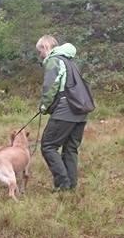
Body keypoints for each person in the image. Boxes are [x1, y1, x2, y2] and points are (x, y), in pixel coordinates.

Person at [37, 35, 90, 192]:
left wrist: (43, 107)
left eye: (39, 51)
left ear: (46, 47)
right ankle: (71, 186)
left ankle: (62, 184)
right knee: (70, 148)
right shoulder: (70, 61)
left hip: (65, 110)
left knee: (48, 146)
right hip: (81, 111)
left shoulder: (54, 60)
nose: (39, 55)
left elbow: (51, 87)